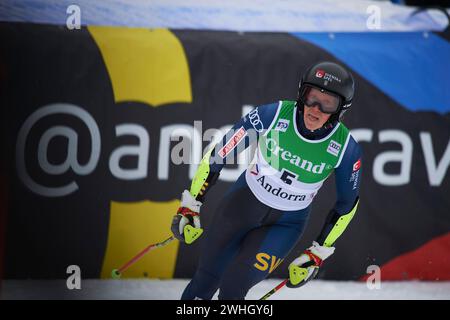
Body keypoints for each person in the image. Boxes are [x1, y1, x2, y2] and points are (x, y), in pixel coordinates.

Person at [171, 61, 362, 300]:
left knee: (233, 288)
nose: (315, 109)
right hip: (241, 206)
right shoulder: (272, 114)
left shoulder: (345, 149)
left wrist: (318, 252)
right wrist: (192, 203)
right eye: (312, 97)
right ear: (302, 93)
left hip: (284, 226)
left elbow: (347, 205)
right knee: (206, 280)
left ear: (340, 109)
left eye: (327, 104)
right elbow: (220, 153)